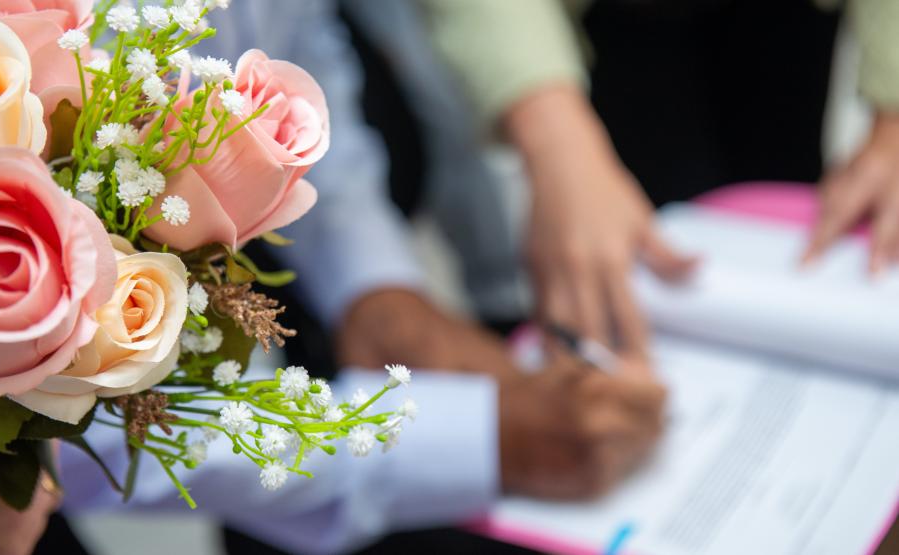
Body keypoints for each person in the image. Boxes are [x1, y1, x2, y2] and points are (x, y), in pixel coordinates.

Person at [57, 2, 666, 554]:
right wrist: (467, 445)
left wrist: (374, 287)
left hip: (261, 321)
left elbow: (297, 55)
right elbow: (59, 428)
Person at [406, 0, 899, 362]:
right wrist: (553, 137)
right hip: (611, 30)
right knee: (637, 258)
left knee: (789, 228)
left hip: (792, 28)